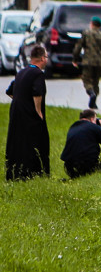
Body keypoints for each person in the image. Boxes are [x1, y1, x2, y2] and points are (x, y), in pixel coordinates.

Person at [5, 46, 50, 181]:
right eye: (46, 57)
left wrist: (21, 100)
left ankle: (15, 172)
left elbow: (10, 91)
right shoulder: (38, 74)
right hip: (30, 115)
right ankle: (34, 172)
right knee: (35, 142)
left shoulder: (22, 72)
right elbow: (37, 93)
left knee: (18, 142)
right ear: (42, 58)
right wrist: (38, 111)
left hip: (16, 113)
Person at [61, 109, 101, 178]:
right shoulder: (94, 127)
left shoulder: (73, 127)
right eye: (96, 119)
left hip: (68, 166)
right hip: (86, 164)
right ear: (92, 119)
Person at [72, 15, 101, 109]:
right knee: (96, 82)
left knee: (86, 80)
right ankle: (94, 102)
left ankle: (91, 93)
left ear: (92, 24)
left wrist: (75, 58)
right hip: (99, 62)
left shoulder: (86, 33)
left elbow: (78, 47)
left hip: (88, 61)